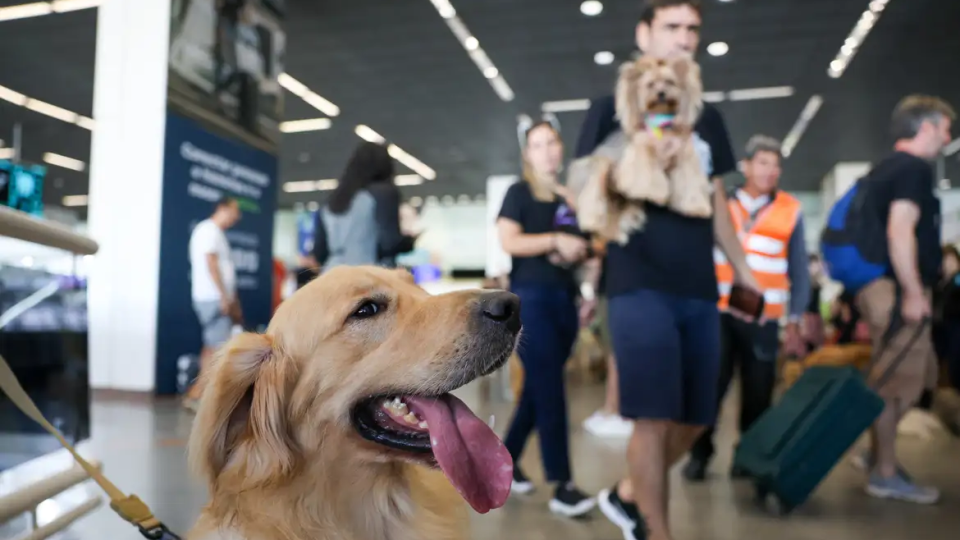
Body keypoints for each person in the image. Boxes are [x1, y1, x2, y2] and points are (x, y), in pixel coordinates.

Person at [575, 2, 761, 538]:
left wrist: (743, 269)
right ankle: (657, 531)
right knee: (652, 417)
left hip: (699, 284)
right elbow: (587, 194)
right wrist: (639, 155)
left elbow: (719, 198)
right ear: (644, 32)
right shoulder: (608, 109)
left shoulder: (708, 116)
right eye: (672, 27)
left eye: (692, 29)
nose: (685, 38)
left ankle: (629, 493)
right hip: (636, 284)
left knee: (699, 417)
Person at [684, 135, 811, 481]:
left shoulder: (790, 209)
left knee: (759, 393)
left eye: (776, 165)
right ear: (747, 166)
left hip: (764, 318)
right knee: (710, 388)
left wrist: (796, 317)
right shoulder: (721, 202)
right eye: (763, 163)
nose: (771, 171)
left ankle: (747, 455)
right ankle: (700, 453)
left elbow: (798, 269)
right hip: (719, 313)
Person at [852, 94, 954, 504]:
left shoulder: (885, 168)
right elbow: (900, 230)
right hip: (896, 291)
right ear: (925, 127)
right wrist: (914, 291)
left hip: (881, 288)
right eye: (945, 129)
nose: (948, 137)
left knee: (904, 377)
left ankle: (879, 456)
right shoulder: (912, 168)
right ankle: (885, 472)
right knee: (898, 385)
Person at [498, 120, 596, 517]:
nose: (547, 151)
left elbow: (588, 246)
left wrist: (583, 273)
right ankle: (562, 484)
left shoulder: (570, 197)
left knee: (539, 392)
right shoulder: (518, 193)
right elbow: (509, 241)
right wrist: (554, 241)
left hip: (566, 299)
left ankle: (505, 460)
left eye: (552, 142)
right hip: (533, 298)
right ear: (527, 153)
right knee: (551, 390)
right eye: (537, 145)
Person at [312, 141, 416, 272]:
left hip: (332, 274)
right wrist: (409, 242)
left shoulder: (331, 202)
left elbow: (319, 252)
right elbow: (389, 243)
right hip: (368, 275)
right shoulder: (383, 193)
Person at [184, 196, 242, 411]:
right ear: (222, 208)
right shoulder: (208, 231)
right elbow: (211, 263)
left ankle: (198, 394)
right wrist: (223, 296)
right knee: (217, 349)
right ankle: (199, 395)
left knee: (211, 348)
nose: (236, 219)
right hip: (212, 298)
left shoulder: (216, 233)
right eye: (234, 213)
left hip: (216, 298)